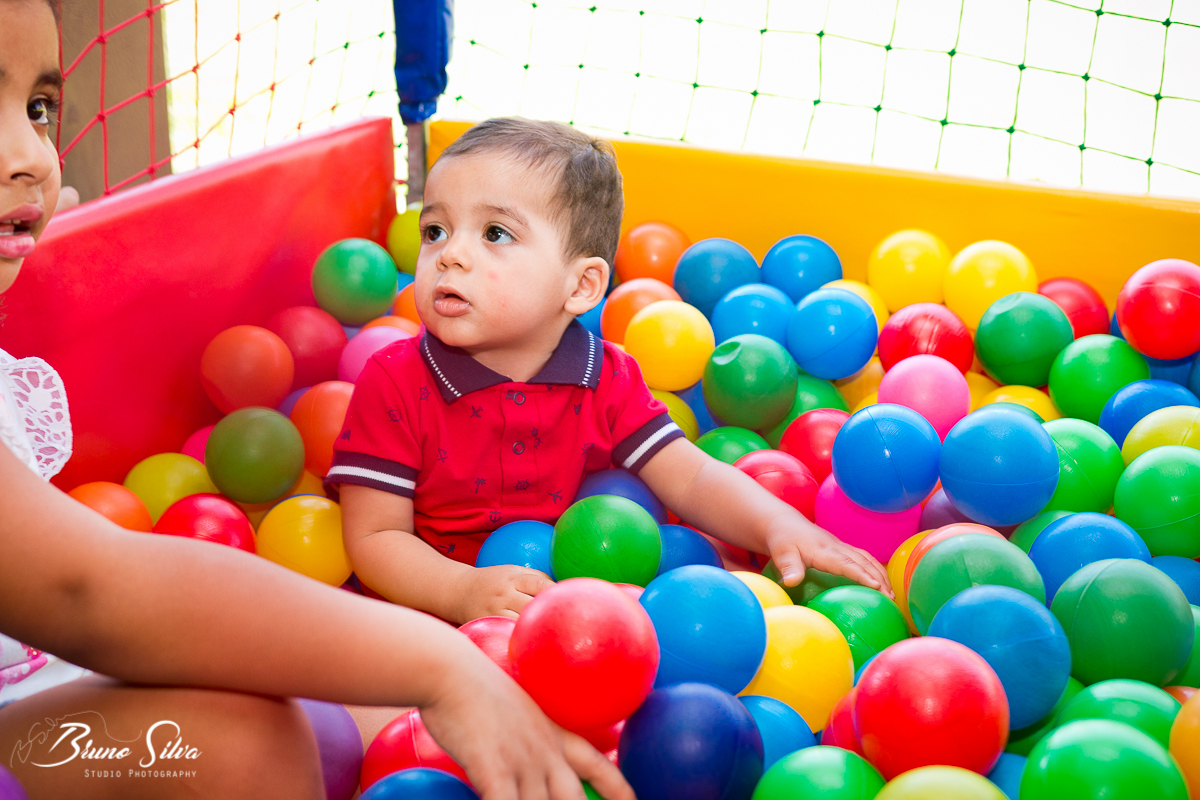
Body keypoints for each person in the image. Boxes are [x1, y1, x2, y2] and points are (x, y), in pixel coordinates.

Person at [0, 1, 632, 799]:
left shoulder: (598, 369)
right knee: (252, 743)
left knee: (354, 717)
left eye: (39, 107)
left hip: (43, 686)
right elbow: (87, 590)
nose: (30, 155)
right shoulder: (402, 379)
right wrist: (442, 663)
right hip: (42, 691)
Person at [331, 117, 892, 625]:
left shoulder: (606, 376)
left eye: (495, 233)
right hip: (426, 621)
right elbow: (376, 535)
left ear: (581, 286)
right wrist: (460, 592)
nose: (450, 254)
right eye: (435, 230)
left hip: (578, 614)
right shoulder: (395, 381)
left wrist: (779, 526)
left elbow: (692, 477)